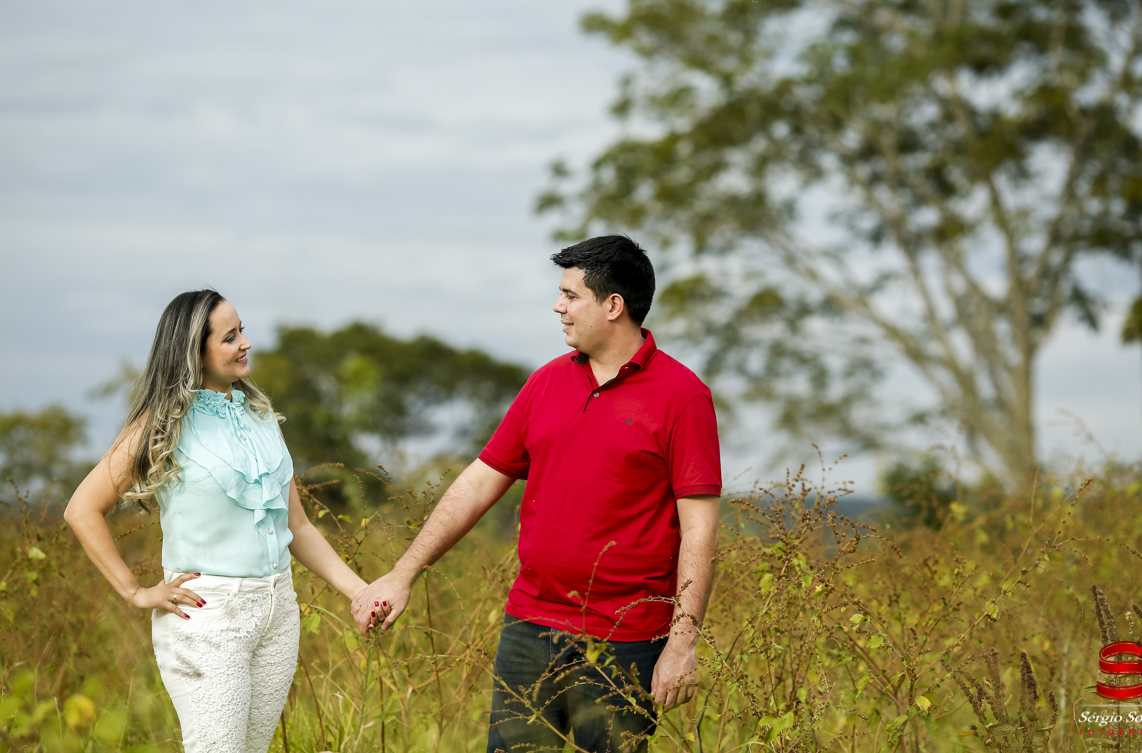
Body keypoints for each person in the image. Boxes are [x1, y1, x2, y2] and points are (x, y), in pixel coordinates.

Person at [352, 236, 722, 752]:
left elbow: (699, 533)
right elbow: (479, 483)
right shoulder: (546, 383)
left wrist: (681, 644)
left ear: (613, 306)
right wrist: (403, 572)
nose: (558, 306)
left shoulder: (683, 397)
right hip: (530, 625)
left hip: (629, 639)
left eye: (571, 295)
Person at [65, 289, 368, 753]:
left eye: (242, 330)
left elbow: (298, 528)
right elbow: (82, 508)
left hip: (277, 612)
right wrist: (135, 591)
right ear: (194, 351)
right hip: (208, 616)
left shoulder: (262, 417)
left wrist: (360, 592)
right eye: (230, 337)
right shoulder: (161, 422)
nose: (246, 343)